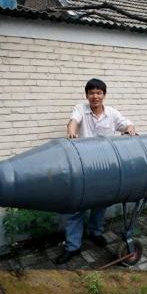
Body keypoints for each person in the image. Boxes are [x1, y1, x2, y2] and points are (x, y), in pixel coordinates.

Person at [58, 79, 137, 263]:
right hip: (84, 164)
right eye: (91, 93)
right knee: (76, 206)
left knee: (101, 202)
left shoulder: (112, 113)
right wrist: (71, 133)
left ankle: (95, 232)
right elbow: (72, 122)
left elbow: (127, 124)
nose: (95, 96)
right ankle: (72, 246)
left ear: (104, 95)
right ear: (87, 95)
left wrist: (130, 128)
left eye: (98, 93)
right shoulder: (80, 109)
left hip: (106, 165)